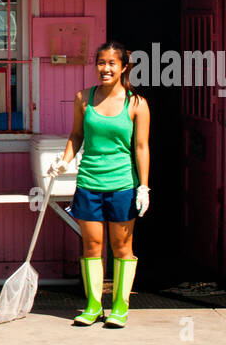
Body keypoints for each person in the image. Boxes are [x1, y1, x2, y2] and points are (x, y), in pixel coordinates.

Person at [48, 41, 150, 327]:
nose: (105, 68)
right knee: (92, 246)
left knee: (122, 247)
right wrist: (64, 160)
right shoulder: (84, 98)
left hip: (122, 185)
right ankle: (93, 305)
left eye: (112, 63)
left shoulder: (136, 104)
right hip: (89, 183)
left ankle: (119, 307)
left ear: (123, 67)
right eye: (101, 63)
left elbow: (141, 147)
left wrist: (143, 186)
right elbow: (76, 135)